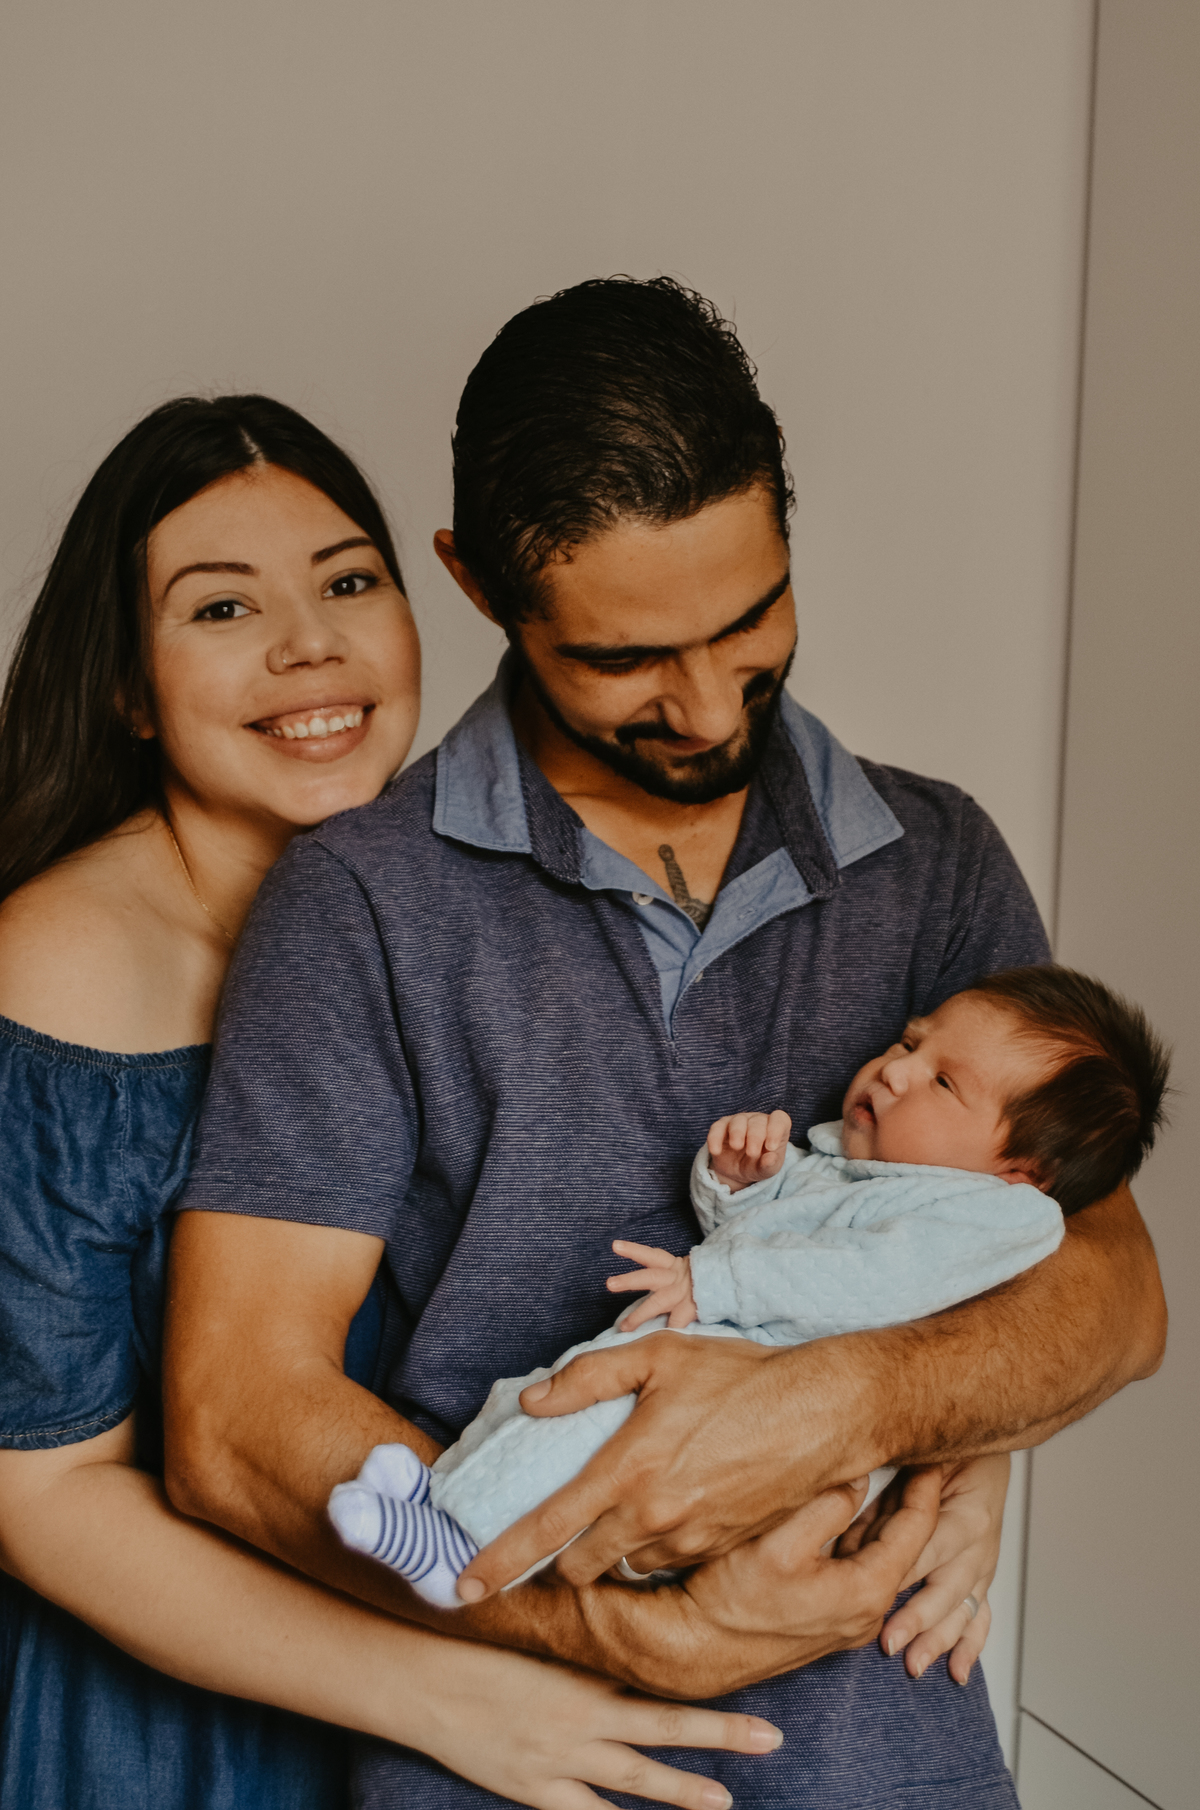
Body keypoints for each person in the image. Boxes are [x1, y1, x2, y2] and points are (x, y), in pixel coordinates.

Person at [165, 281, 1167, 1810]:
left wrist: (850, 1403)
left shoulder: (937, 858)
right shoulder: (360, 900)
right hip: (518, 1758)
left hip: (889, 1758)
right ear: (479, 584)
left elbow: (1113, 1296)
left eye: (750, 619)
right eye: (628, 656)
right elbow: (234, 1416)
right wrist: (625, 1633)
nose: (705, 706)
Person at [0, 393, 782, 1810]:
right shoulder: (59, 964)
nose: (311, 644)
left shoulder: (461, 901)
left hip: (450, 1671)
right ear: (128, 686)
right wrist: (447, 1690)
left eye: (350, 583)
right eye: (223, 606)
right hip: (178, 1718)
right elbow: (41, 1495)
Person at [328, 964, 1169, 1609]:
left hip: (765, 1405)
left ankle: (458, 1553)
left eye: (944, 1082)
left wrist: (717, 1276)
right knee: (545, 1394)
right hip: (710, 1344)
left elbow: (868, 1281)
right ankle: (448, 1491)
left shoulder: (1000, 1218)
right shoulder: (848, 1161)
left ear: (1022, 1171)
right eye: (910, 1045)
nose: (896, 1071)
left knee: (586, 1441)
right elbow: (769, 1231)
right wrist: (739, 1182)